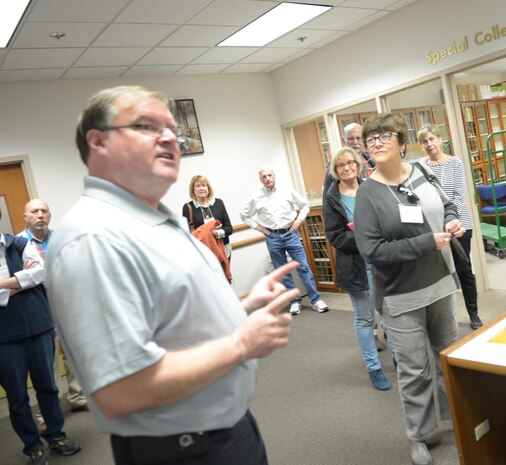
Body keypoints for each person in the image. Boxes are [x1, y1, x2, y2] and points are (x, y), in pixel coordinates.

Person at [46, 85, 299, 465]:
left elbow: (175, 321)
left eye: (172, 129)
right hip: (184, 451)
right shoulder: (94, 238)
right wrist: (241, 346)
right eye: (147, 126)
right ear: (97, 141)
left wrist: (245, 306)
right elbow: (121, 389)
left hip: (227, 430)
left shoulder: (156, 218)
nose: (169, 137)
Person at [354, 113, 463, 465]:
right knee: (415, 370)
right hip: (400, 296)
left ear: (402, 143)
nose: (377, 141)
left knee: (450, 359)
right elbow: (372, 250)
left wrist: (450, 219)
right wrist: (424, 243)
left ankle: (458, 420)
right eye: (372, 138)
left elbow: (445, 204)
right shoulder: (368, 193)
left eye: (386, 135)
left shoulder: (422, 171)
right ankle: (418, 435)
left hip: (440, 283)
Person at [0, 208, 81, 465]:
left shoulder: (19, 242)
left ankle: (56, 436)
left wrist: (3, 284)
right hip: (5, 337)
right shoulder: (23, 246)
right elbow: (30, 277)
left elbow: (42, 273)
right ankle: (33, 446)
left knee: (48, 387)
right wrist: (21, 281)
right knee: (18, 396)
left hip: (39, 326)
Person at [18, 199, 89, 435]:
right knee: (45, 362)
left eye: (44, 211)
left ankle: (78, 397)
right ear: (25, 216)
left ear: (50, 215)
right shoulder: (17, 244)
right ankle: (46, 412)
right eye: (34, 211)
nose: (40, 215)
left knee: (73, 354)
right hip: (40, 307)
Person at [323, 147, 391, 391]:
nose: (347, 167)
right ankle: (374, 368)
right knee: (364, 319)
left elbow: (386, 219)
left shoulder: (370, 187)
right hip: (356, 265)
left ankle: (398, 359)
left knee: (388, 314)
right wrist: (365, 236)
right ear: (335, 169)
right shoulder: (332, 197)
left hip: (381, 262)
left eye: (351, 162)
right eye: (341, 165)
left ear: (358, 164)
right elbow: (336, 237)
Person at [323, 123, 385, 351]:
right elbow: (334, 226)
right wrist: (363, 236)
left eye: (360, 137)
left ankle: (391, 347)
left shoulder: (372, 167)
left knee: (387, 309)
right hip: (356, 259)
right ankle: (373, 345)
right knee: (364, 314)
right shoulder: (333, 188)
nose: (356, 141)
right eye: (352, 138)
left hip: (380, 257)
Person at [240, 165, 330, 316]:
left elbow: (305, 205)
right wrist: (257, 227)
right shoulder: (256, 197)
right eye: (264, 176)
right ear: (260, 179)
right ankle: (295, 301)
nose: (267, 178)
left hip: (290, 234)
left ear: (274, 176)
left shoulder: (287, 190)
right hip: (272, 237)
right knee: (283, 272)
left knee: (303, 267)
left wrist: (298, 221)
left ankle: (315, 300)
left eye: (269, 175)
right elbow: (243, 214)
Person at [417, 123, 482, 330]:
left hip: (458, 224)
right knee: (439, 271)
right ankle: (445, 317)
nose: (429, 144)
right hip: (433, 227)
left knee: (464, 269)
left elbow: (457, 195)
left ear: (440, 139)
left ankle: (474, 313)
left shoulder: (455, 163)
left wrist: (446, 218)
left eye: (431, 139)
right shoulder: (420, 166)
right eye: (424, 141)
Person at [182, 175, 233, 256]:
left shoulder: (219, 203)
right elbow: (187, 234)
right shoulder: (188, 208)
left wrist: (217, 233)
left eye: (204, 185)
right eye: (198, 186)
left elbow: (229, 228)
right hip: (203, 253)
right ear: (193, 190)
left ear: (208, 188)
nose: (202, 188)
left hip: (223, 250)